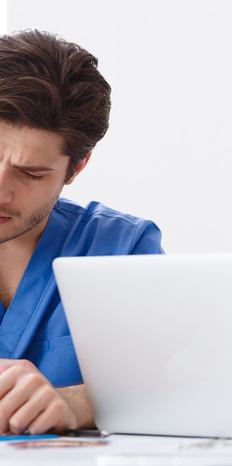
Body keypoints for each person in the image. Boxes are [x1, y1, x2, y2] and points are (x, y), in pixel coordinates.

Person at [0, 30, 163, 435]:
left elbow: (177, 383)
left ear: (76, 168)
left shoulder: (121, 249)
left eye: (30, 173)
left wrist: (80, 401)